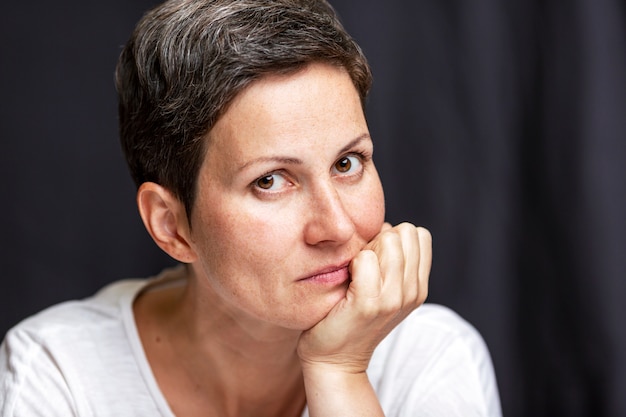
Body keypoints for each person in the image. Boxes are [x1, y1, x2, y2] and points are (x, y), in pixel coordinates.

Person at [0, 0, 501, 415]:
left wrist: (339, 372)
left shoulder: (432, 358)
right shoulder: (57, 374)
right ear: (171, 225)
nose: (337, 225)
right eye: (270, 180)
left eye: (348, 163)